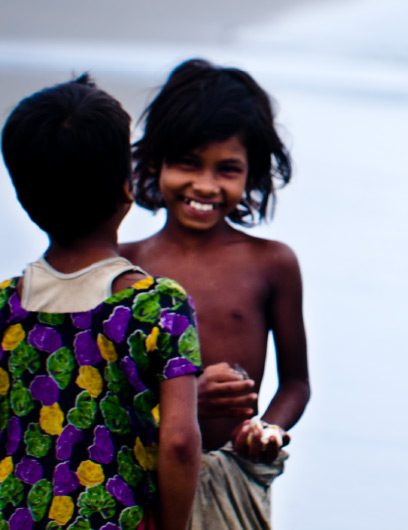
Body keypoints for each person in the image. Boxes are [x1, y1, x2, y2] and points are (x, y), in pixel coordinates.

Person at [0, 74, 203, 530]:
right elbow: (179, 442)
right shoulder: (158, 309)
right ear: (126, 187)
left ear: (23, 198)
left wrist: (4, 506)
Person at [121, 58, 310, 530]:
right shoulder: (123, 268)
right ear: (155, 163)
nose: (205, 185)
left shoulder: (272, 265)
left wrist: (265, 429)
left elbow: (296, 384)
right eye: (188, 164)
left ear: (253, 176)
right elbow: (104, 388)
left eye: (227, 170)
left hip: (232, 479)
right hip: (137, 478)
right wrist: (182, 403)